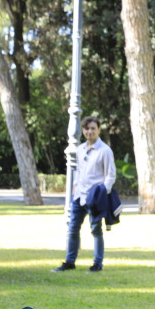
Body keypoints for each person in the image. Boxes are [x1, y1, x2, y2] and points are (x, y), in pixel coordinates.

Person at [54, 116, 116, 273]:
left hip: (95, 198)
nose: (90, 132)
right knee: (73, 229)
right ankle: (70, 262)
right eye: (87, 129)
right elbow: (79, 171)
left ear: (99, 130)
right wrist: (75, 187)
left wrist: (103, 192)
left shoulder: (105, 151)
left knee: (96, 230)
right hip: (79, 197)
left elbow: (111, 175)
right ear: (83, 130)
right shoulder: (80, 149)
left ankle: (97, 264)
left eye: (93, 128)